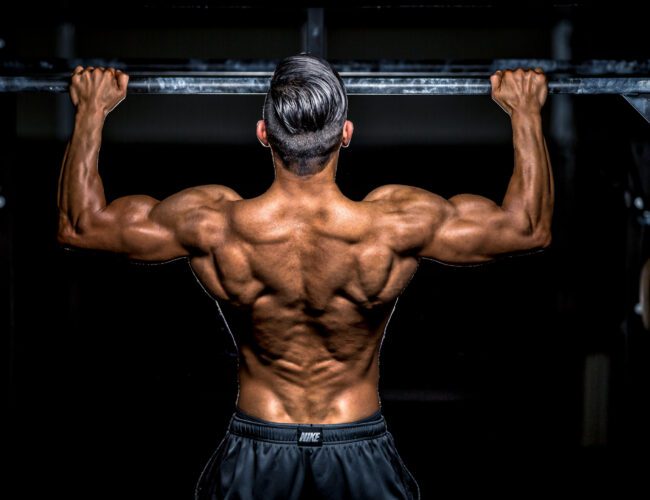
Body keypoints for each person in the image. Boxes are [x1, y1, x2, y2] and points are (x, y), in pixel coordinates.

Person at [57, 54, 553, 500]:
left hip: (258, 443)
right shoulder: (393, 225)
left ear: (263, 134)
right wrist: (525, 111)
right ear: (346, 134)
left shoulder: (214, 224)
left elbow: (81, 225)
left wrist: (92, 110)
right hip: (357, 442)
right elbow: (526, 228)